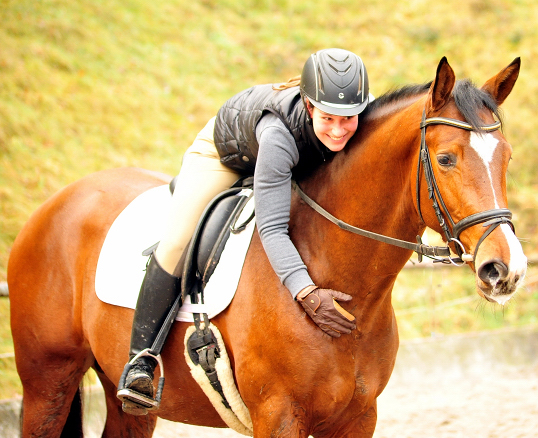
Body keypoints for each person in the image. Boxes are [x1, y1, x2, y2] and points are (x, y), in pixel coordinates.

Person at [117, 48, 370, 415]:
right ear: (310, 107)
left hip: (285, 155)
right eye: (328, 117)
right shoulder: (280, 136)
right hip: (225, 155)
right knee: (176, 241)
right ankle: (140, 360)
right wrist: (306, 292)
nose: (337, 129)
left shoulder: (355, 112)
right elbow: (271, 228)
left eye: (348, 119)